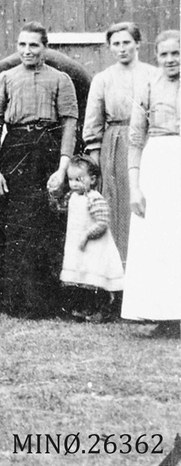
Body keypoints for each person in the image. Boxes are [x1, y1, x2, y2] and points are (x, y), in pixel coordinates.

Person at [0, 22, 78, 319]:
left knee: (46, 226)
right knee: (14, 225)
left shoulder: (61, 79)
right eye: (22, 45)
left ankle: (46, 300)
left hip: (47, 153)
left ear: (45, 48)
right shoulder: (7, 79)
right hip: (16, 152)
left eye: (34, 45)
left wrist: (62, 169)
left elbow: (69, 124)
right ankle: (10, 299)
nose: (27, 51)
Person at [120, 30, 181, 336]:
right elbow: (134, 139)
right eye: (164, 54)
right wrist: (135, 187)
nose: (170, 60)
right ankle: (164, 316)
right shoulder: (147, 85)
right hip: (157, 163)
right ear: (156, 57)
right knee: (160, 239)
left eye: (176, 53)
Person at [82, 22, 156, 271]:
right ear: (109, 47)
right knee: (116, 212)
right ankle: (115, 283)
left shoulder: (153, 75)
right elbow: (93, 125)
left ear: (137, 43)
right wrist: (97, 165)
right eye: (116, 44)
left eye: (127, 42)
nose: (122, 48)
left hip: (148, 144)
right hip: (114, 147)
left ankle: (148, 275)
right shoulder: (103, 79)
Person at [52, 155, 123, 322]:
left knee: (94, 276)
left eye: (79, 179)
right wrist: (54, 197)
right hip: (79, 245)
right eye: (71, 180)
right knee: (80, 276)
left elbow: (102, 222)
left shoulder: (95, 198)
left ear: (92, 179)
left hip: (95, 245)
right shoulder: (72, 197)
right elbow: (61, 209)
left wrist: (87, 234)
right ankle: (82, 308)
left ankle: (102, 309)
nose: (74, 184)